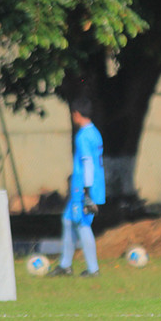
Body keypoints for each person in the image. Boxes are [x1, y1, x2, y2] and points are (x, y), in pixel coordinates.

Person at [50, 97, 106, 277]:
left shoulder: (83, 136)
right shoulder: (95, 132)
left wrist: (86, 192)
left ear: (76, 114)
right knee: (68, 221)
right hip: (89, 187)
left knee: (82, 224)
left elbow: (88, 163)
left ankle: (93, 269)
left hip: (83, 189)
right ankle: (65, 265)